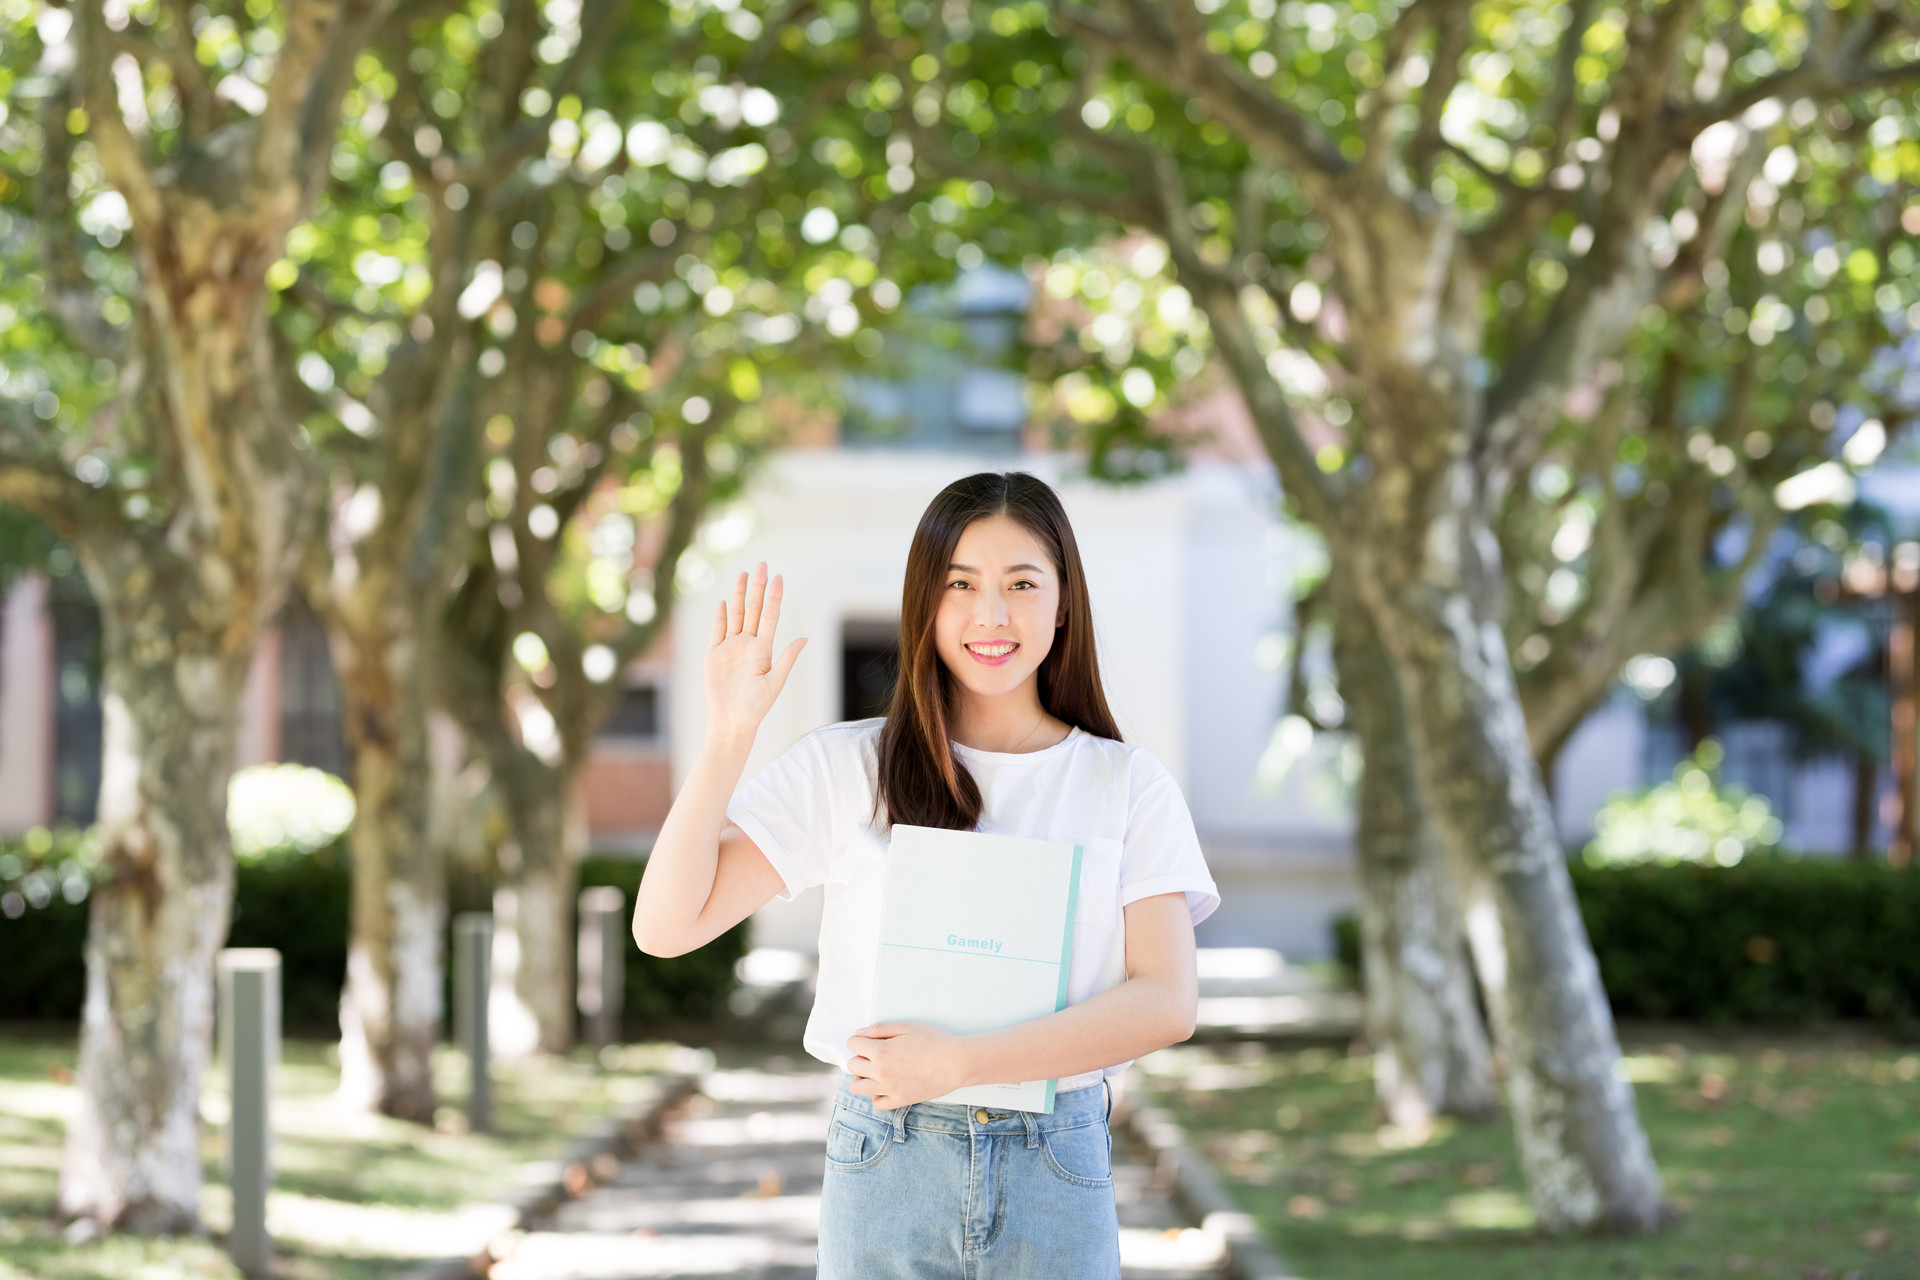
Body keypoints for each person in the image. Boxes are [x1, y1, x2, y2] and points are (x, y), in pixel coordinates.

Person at [633, 471, 1219, 1279]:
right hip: (888, 1163)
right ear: (925, 603)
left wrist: (964, 1062)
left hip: (1055, 1166)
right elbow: (666, 928)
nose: (992, 615)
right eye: (960, 584)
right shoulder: (848, 767)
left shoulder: (1126, 784)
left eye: (1022, 584)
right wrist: (730, 733)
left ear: (1064, 604)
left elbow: (1167, 1001)